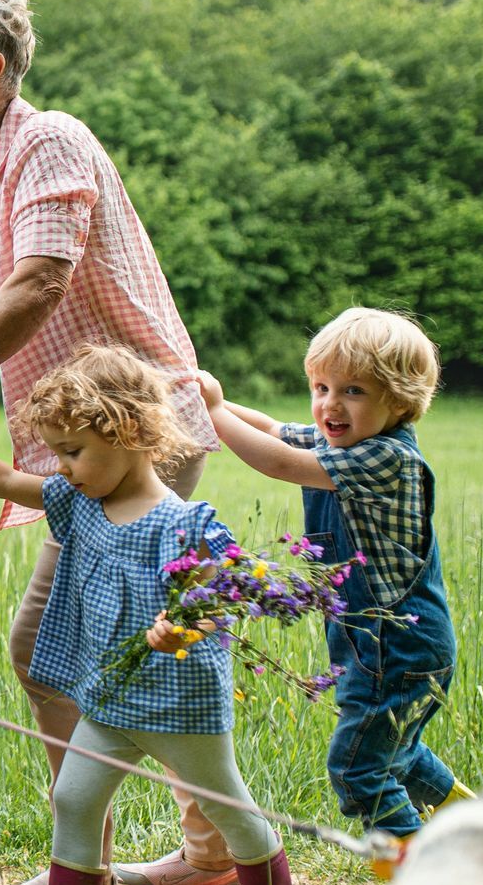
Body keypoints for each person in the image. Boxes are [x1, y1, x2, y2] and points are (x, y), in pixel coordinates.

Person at [0, 0, 230, 885]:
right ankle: (199, 852)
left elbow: (35, 285)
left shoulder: (50, 145)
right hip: (92, 448)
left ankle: (96, 876)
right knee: (130, 651)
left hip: (137, 437)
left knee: (59, 648)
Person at [0, 346, 302, 885]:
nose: (63, 467)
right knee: (73, 795)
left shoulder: (183, 523)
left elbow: (225, 594)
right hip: (110, 695)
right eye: (57, 453)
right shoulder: (78, 503)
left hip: (179, 704)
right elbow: (6, 481)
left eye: (73, 452)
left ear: (128, 432)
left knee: (227, 804)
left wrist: (183, 625)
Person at [198, 307, 469, 839]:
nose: (330, 404)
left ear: (400, 400)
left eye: (353, 391)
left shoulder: (385, 458)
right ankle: (477, 827)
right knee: (398, 758)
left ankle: (425, 884)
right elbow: (275, 430)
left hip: (399, 650)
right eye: (320, 387)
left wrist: (211, 412)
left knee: (359, 772)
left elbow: (277, 460)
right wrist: (212, 402)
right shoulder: (343, 440)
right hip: (374, 647)